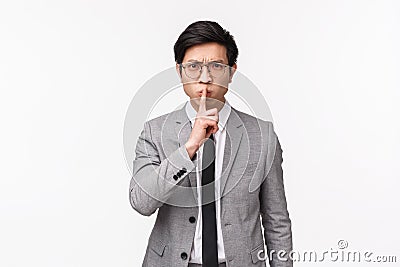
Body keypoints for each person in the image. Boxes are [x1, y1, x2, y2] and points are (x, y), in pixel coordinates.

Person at [129, 20, 293, 267]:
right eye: (193, 66)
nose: (205, 78)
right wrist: (190, 148)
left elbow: (276, 220)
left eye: (216, 66)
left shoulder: (262, 135)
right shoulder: (154, 131)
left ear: (232, 71)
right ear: (179, 70)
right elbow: (142, 202)